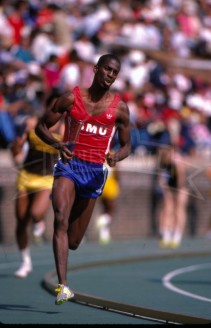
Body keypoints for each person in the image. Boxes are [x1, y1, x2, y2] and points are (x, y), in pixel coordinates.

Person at [35, 53, 131, 305]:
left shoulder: (120, 108)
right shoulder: (70, 98)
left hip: (95, 173)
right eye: (107, 69)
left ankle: (68, 238)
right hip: (69, 165)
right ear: (96, 69)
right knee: (60, 218)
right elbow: (40, 127)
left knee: (74, 241)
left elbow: (128, 144)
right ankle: (63, 286)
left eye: (115, 72)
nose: (110, 75)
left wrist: (117, 156)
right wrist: (58, 144)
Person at [10, 93, 64, 278]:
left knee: (35, 213)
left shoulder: (64, 130)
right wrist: (15, 149)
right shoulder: (32, 123)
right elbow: (17, 149)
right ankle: (25, 261)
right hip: (26, 175)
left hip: (46, 178)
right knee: (21, 220)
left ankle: (40, 221)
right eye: (52, 106)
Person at [155, 144, 189, 248]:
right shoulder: (162, 161)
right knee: (167, 209)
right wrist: (166, 190)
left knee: (179, 209)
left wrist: (177, 193)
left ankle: (177, 235)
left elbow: (181, 180)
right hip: (169, 185)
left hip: (181, 186)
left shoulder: (177, 161)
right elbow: (161, 178)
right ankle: (166, 235)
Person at [96, 164, 120, 244]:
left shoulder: (101, 159)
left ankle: (104, 235)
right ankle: (103, 220)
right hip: (110, 185)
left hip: (101, 185)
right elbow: (118, 173)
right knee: (112, 209)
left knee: (104, 209)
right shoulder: (112, 157)